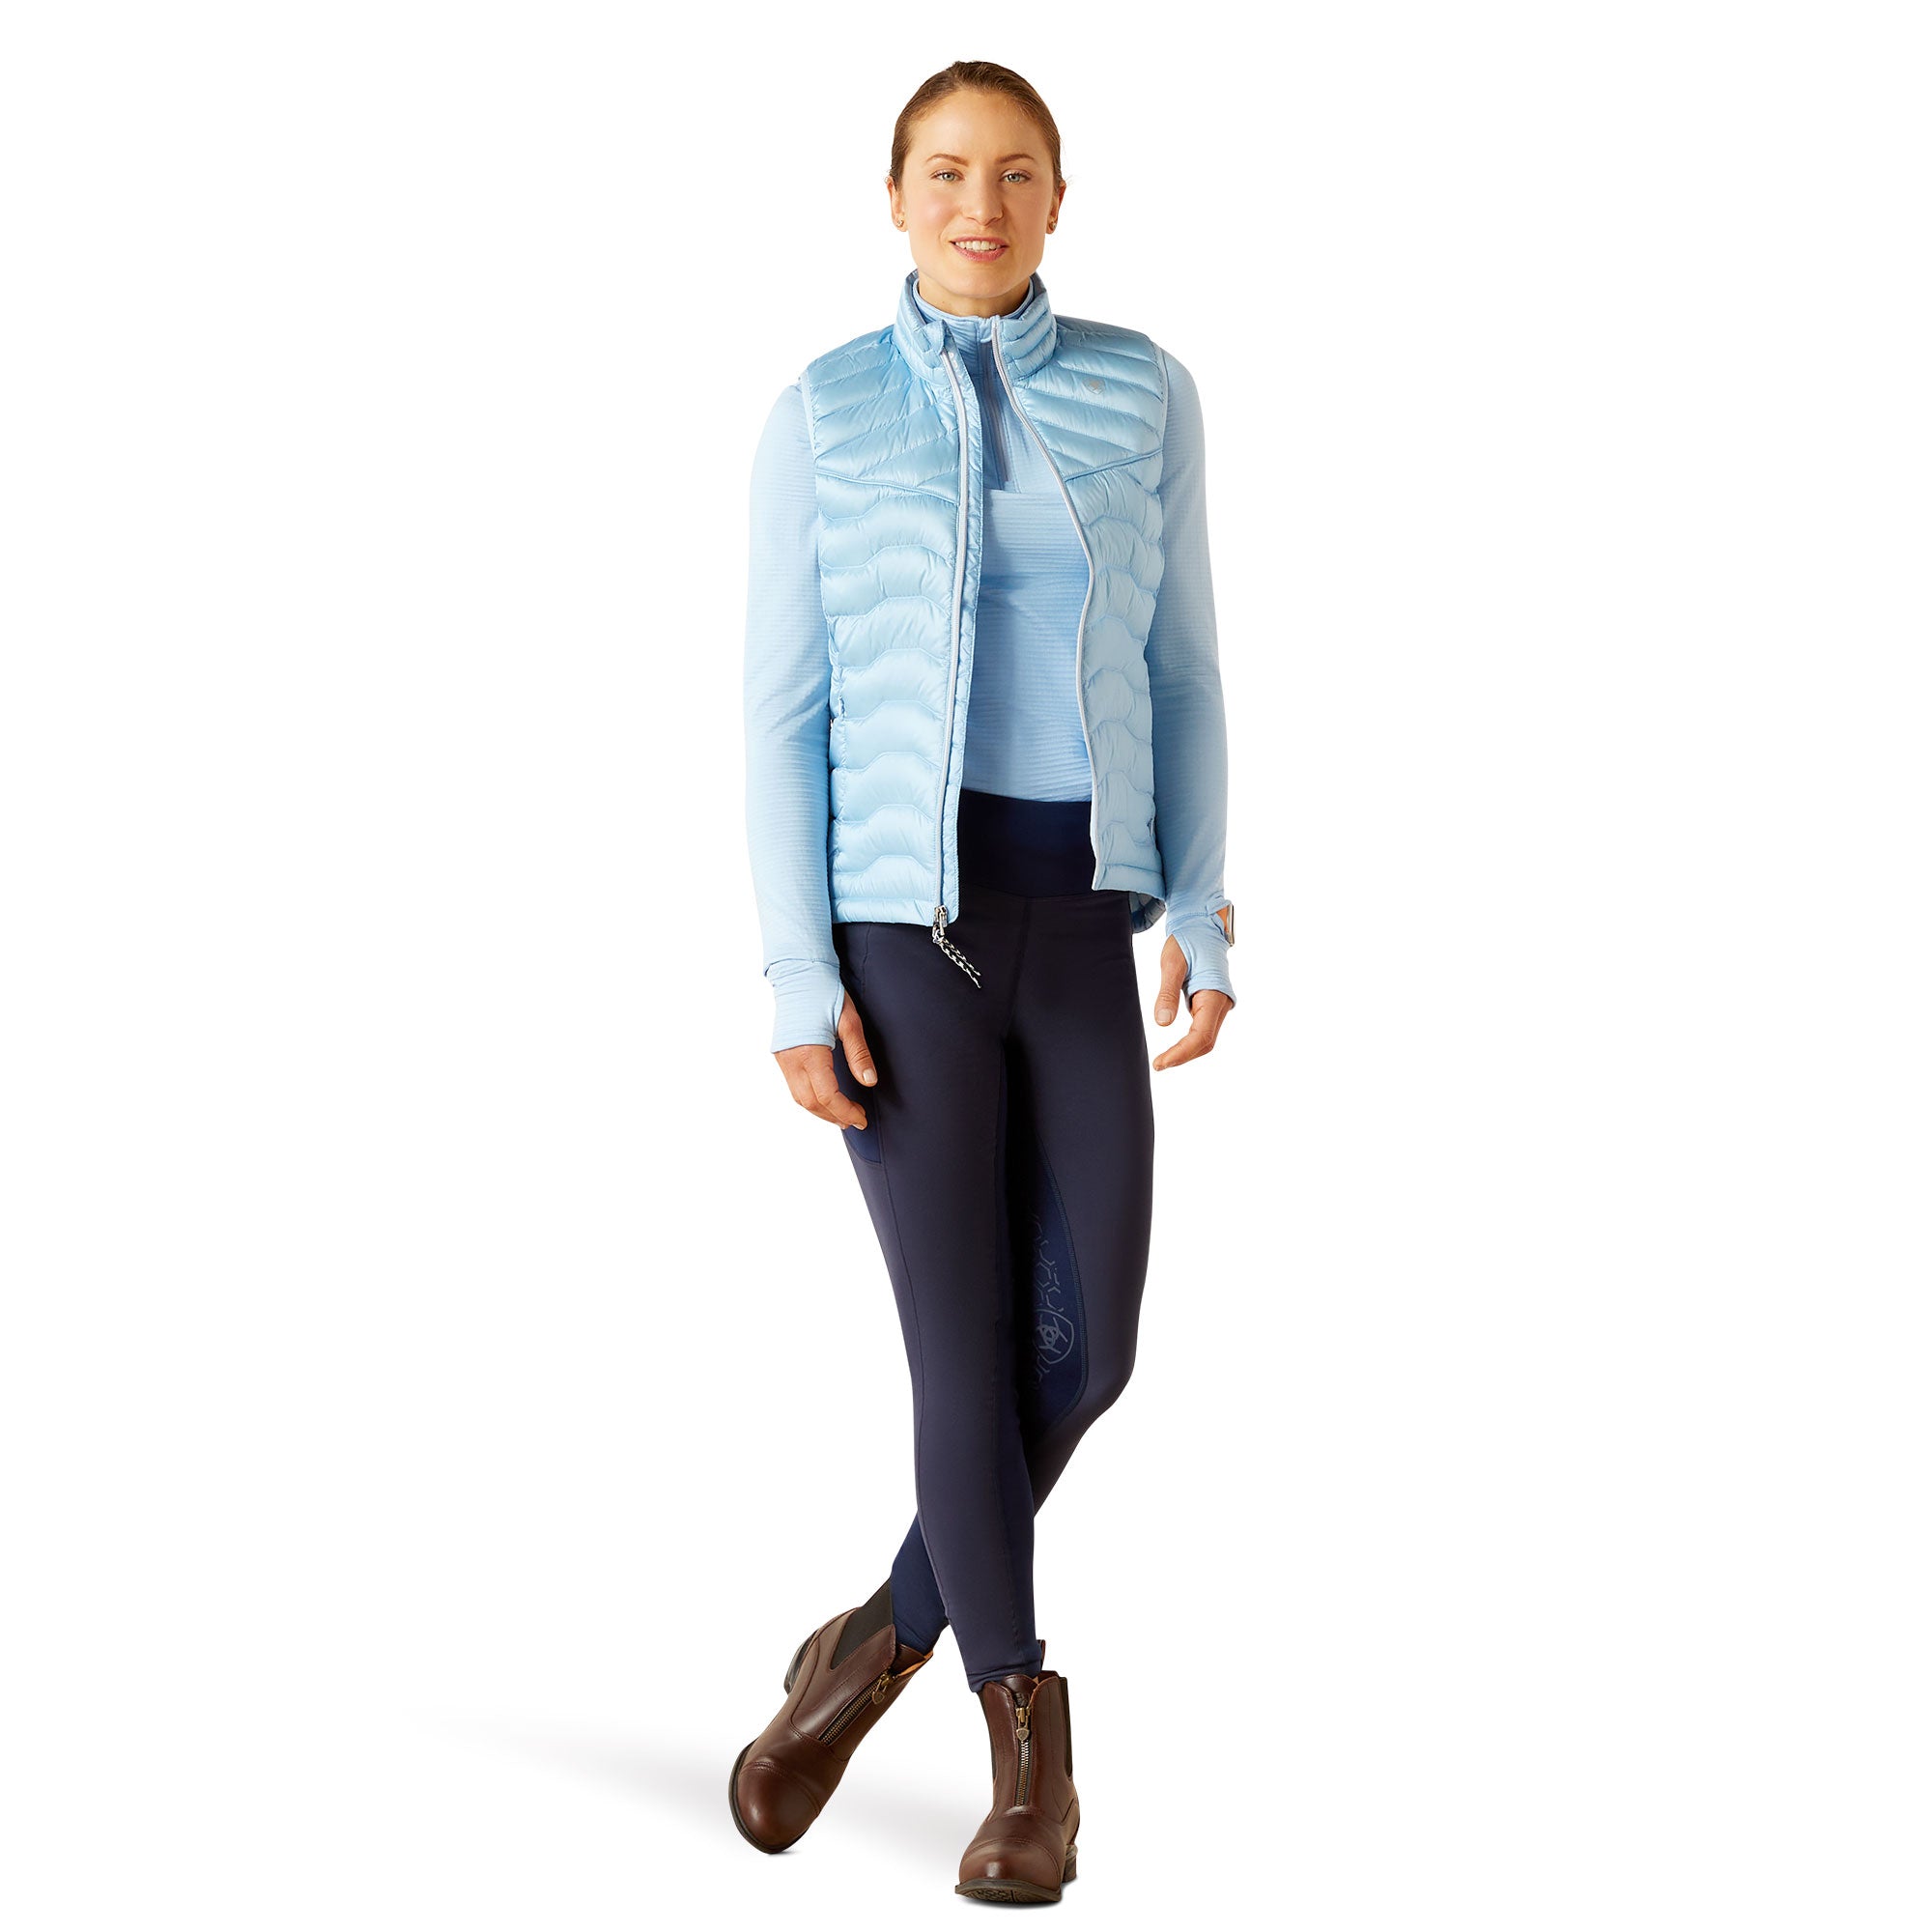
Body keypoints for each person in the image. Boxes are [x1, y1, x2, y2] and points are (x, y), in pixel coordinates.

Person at [731, 60, 1237, 1904]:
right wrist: (801, 977)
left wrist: (1203, 905)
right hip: (901, 934)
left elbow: (1183, 668)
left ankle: (873, 1638)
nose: (981, 205)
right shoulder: (825, 411)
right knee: (960, 1347)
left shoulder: (1140, 389)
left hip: (1079, 917)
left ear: (1057, 200)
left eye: (1016, 174)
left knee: (1087, 1347)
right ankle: (1029, 1747)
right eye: (946, 172)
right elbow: (780, 712)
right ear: (895, 196)